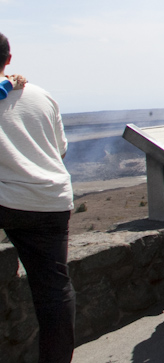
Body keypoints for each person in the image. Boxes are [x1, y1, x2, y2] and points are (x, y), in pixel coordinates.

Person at [0, 32, 75, 363]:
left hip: (8, 198)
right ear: (9, 58)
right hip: (52, 198)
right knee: (54, 290)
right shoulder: (41, 95)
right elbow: (60, 149)